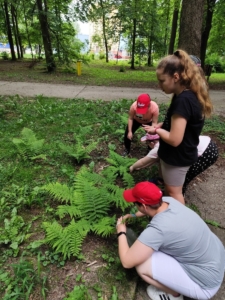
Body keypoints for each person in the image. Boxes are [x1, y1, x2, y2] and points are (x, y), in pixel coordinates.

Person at [116, 182, 225, 300]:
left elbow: (127, 262)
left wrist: (121, 231)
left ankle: (174, 295)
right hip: (217, 257)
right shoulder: (169, 201)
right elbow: (149, 209)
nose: (134, 205)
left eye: (135, 203)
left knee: (142, 266)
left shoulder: (157, 230)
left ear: (144, 205)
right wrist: (132, 215)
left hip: (205, 285)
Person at [143, 50, 213, 204]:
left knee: (175, 194)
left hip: (177, 158)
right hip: (176, 156)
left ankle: (179, 224)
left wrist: (157, 130)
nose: (159, 85)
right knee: (170, 191)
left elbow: (175, 139)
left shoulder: (183, 101)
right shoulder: (186, 95)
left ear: (176, 77)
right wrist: (163, 125)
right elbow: (180, 125)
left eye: (162, 81)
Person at [130, 134, 219, 195]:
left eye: (147, 143)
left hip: (206, 152)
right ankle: (164, 182)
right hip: (208, 143)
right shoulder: (166, 139)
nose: (148, 145)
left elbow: (143, 161)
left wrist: (133, 167)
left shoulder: (158, 148)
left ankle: (177, 201)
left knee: (182, 179)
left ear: (152, 143)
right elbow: (153, 161)